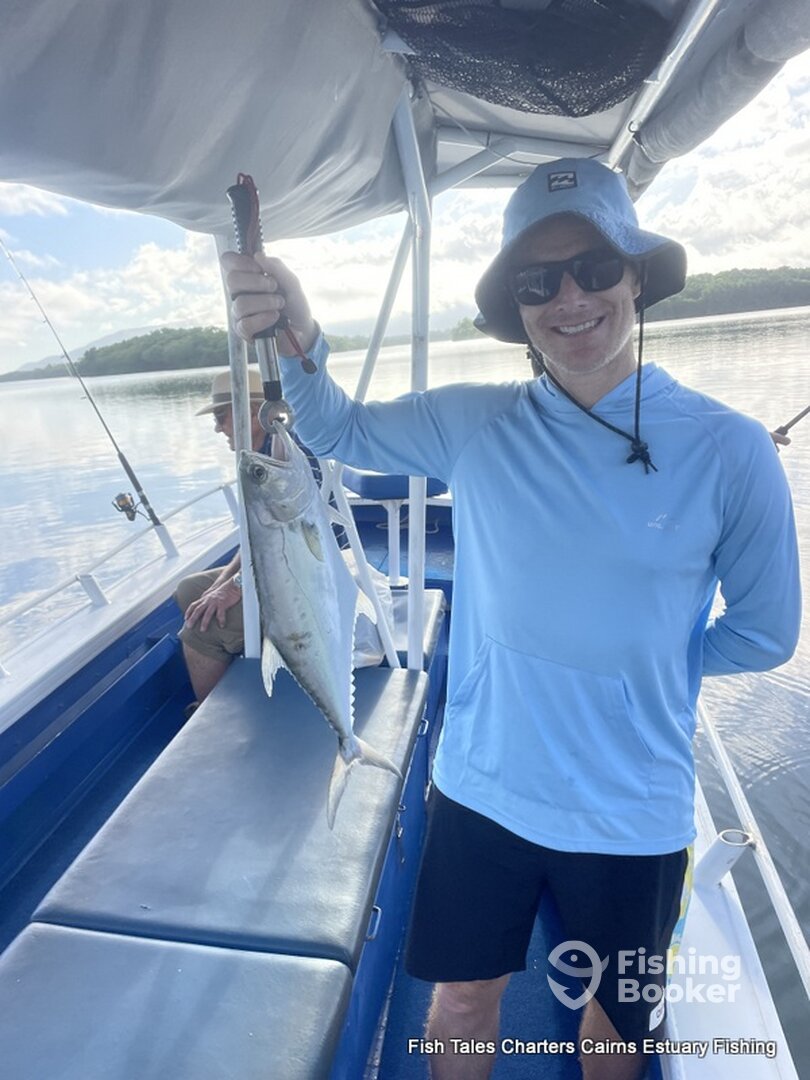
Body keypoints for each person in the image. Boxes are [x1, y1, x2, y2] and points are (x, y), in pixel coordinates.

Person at [221, 157, 801, 1080]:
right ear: (516, 306)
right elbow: (337, 431)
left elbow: (767, 634)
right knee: (461, 1000)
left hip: (634, 813)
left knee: (617, 1020)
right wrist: (299, 335)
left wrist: (643, 665)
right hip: (482, 789)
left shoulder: (733, 451)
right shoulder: (474, 424)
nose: (570, 298)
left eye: (595, 268)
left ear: (636, 277)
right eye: (538, 281)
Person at [174, 367, 273, 705]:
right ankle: (247, 670)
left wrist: (234, 587)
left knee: (198, 631)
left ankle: (218, 718)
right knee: (190, 591)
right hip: (272, 572)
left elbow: (282, 550)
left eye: (220, 416)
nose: (217, 428)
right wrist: (220, 585)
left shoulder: (280, 460)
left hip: (305, 583)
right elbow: (254, 540)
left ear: (253, 412)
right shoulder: (256, 456)